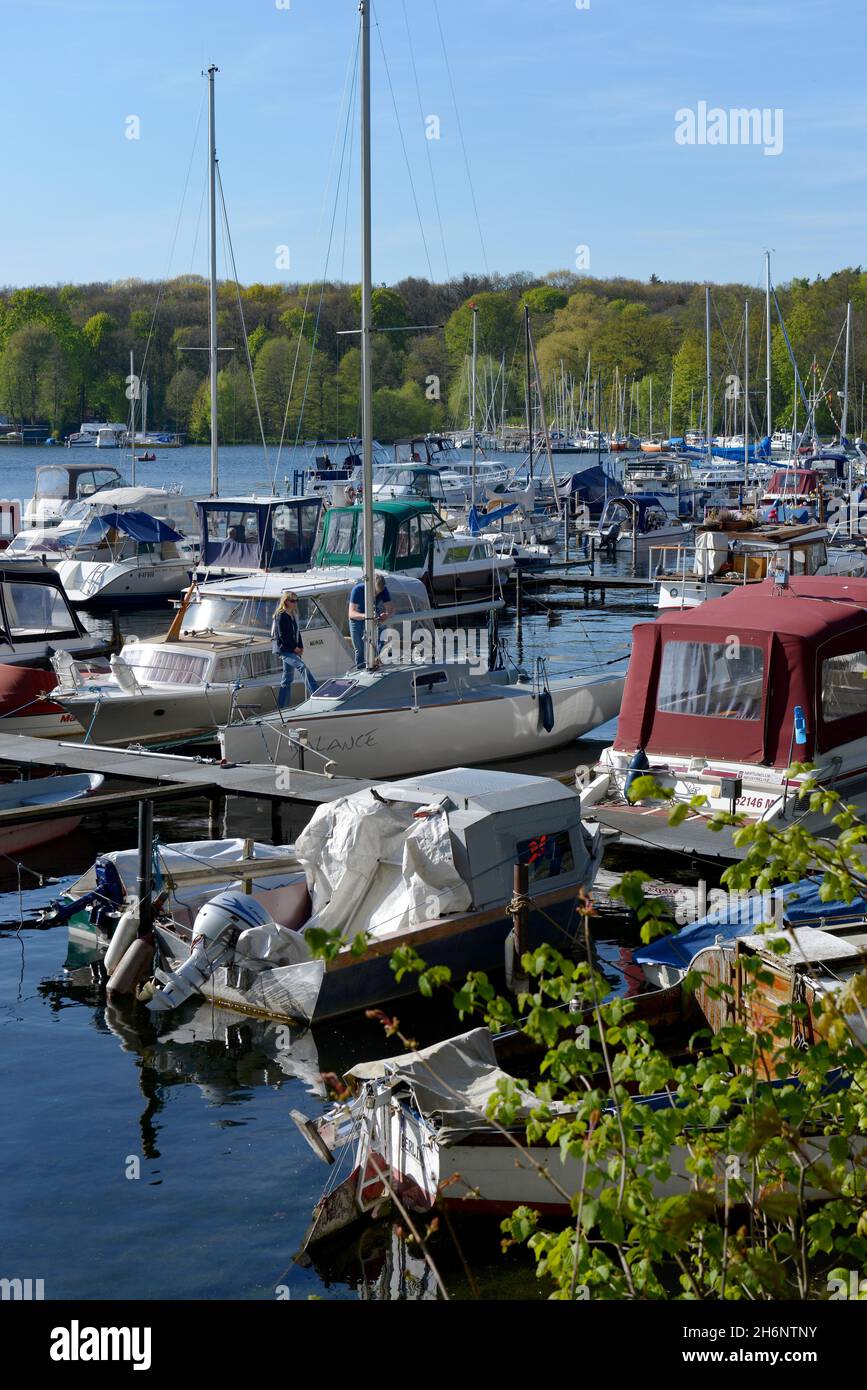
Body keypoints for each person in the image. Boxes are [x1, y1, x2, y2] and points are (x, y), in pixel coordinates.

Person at [272, 592, 318, 706]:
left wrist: (300, 646)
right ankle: (316, 694)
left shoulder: (293, 614)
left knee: (287, 679)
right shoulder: (281, 615)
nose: (295, 603)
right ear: (286, 601)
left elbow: (297, 633)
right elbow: (282, 636)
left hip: (291, 649)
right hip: (283, 650)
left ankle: (282, 706)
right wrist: (294, 648)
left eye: (296, 601)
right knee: (302, 667)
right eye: (293, 601)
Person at [348, 573, 394, 669]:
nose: (376, 594)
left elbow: (391, 607)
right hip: (357, 619)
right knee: (360, 649)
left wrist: (387, 615)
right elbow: (351, 613)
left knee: (380, 639)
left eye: (378, 593)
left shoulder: (383, 590)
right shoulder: (358, 590)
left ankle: (377, 664)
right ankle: (360, 670)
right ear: (370, 585)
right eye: (375, 591)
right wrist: (366, 616)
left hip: (373, 616)